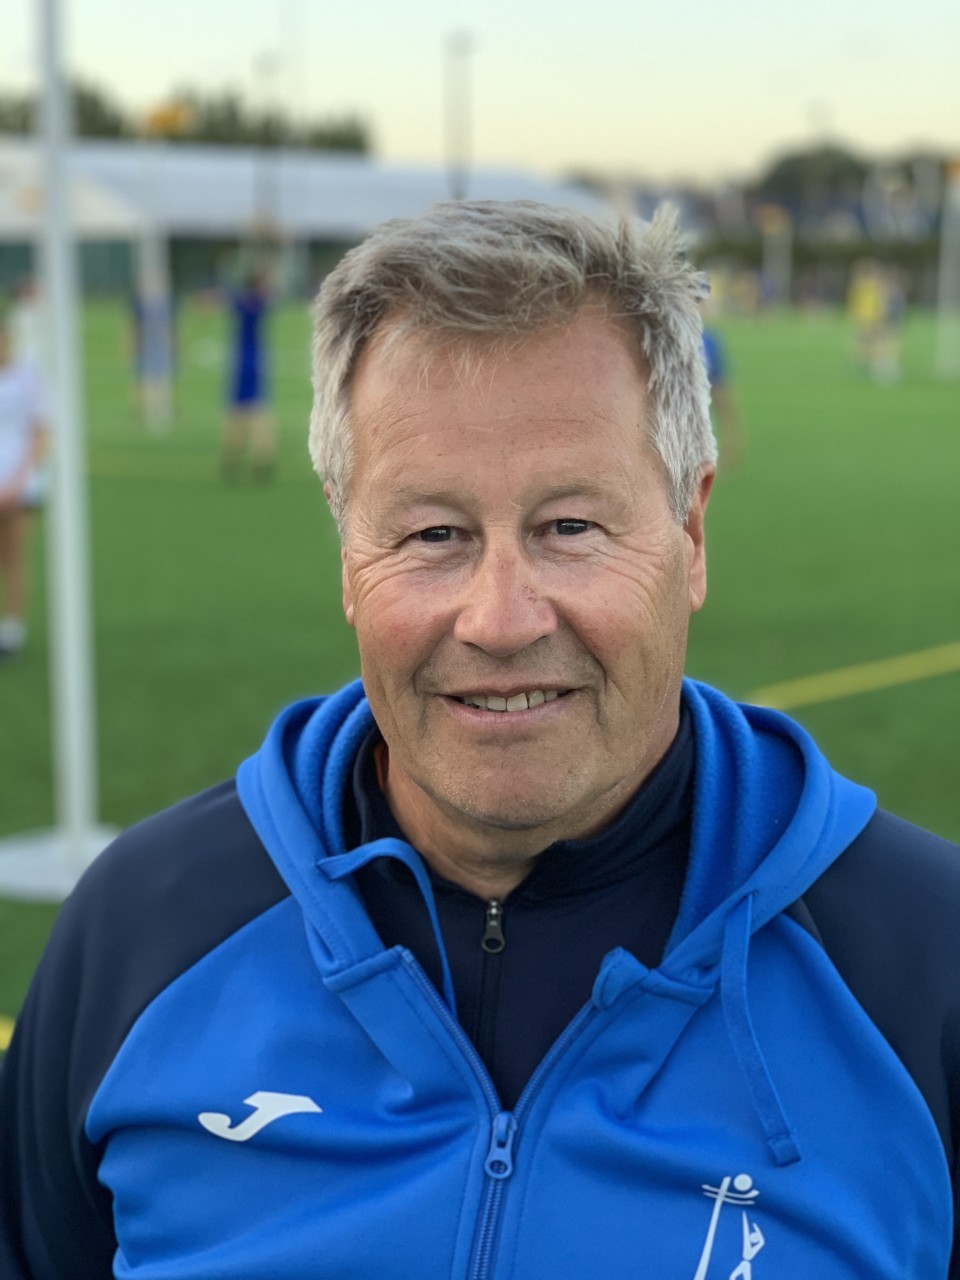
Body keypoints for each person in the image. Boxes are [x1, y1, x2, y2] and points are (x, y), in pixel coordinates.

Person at [1, 202, 958, 1278]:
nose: (501, 620)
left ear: (691, 533)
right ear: (347, 554)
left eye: (571, 526)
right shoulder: (142, 934)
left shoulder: (922, 965)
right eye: (433, 533)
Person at [0, 310, 48, 659]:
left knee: (13, 557)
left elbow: (41, 433)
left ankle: (13, 628)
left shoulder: (27, 376)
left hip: (19, 485)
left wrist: (17, 483)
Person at [220, 267, 276, 482]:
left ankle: (235, 457)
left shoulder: (242, 304)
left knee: (239, 411)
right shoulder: (259, 305)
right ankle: (261, 457)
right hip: (254, 361)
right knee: (256, 410)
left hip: (242, 361)